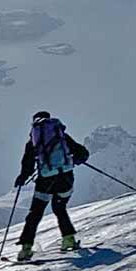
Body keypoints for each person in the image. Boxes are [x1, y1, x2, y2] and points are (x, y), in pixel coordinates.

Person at [14, 110, 90, 261]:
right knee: (60, 208)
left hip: (45, 181)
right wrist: (72, 161)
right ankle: (68, 240)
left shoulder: (33, 141)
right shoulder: (61, 136)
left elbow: (27, 164)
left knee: (35, 213)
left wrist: (22, 177)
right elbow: (83, 153)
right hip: (65, 178)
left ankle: (26, 249)